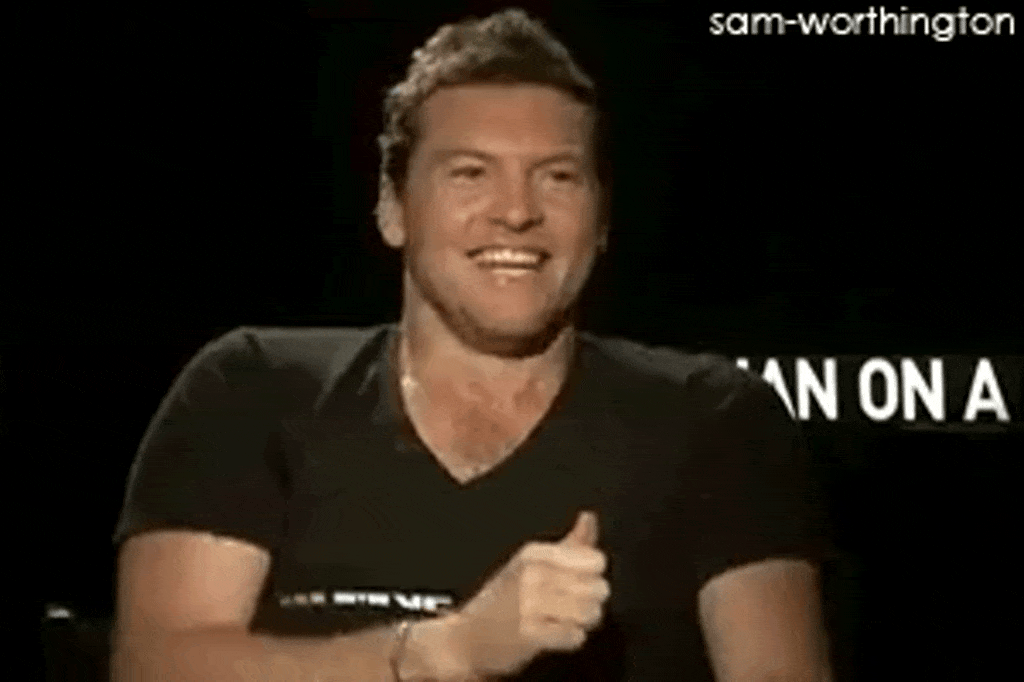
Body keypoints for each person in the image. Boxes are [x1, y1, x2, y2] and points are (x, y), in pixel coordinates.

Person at [111, 7, 838, 681]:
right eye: (470, 173)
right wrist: (446, 650)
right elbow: (156, 666)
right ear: (393, 209)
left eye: (557, 177)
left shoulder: (713, 421)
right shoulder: (252, 388)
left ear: (602, 220)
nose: (517, 212)